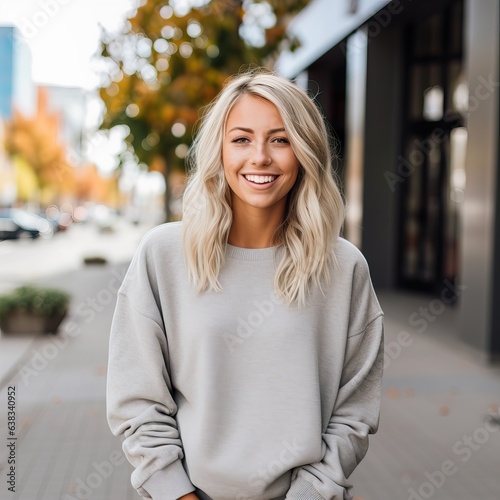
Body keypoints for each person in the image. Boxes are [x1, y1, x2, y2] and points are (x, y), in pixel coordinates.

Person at [106, 69, 384, 500]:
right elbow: (137, 399)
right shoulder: (163, 255)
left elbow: (354, 413)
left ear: (304, 151)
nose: (260, 157)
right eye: (241, 139)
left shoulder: (344, 267)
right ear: (219, 149)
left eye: (280, 139)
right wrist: (177, 493)